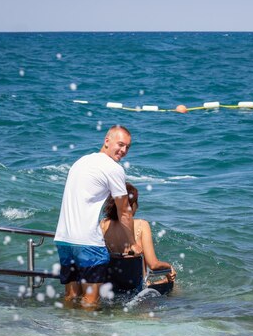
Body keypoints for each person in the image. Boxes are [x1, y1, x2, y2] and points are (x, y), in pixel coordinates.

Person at [54, 125, 141, 308]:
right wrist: (132, 242)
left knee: (71, 296)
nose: (124, 150)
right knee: (91, 301)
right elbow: (124, 210)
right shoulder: (112, 168)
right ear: (106, 141)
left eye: (128, 147)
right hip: (88, 243)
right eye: (120, 144)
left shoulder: (81, 161)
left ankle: (64, 332)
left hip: (64, 239)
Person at [100, 182, 176, 289]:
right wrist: (169, 267)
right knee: (173, 284)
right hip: (136, 287)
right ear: (131, 205)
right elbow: (153, 265)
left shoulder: (103, 224)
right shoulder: (142, 225)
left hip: (112, 287)